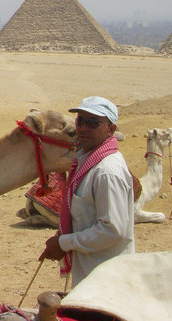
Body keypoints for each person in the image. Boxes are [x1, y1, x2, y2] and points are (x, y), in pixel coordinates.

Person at [39, 96, 134, 288]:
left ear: (111, 129)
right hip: (91, 275)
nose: (83, 128)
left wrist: (64, 243)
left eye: (93, 123)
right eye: (80, 121)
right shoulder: (86, 163)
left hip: (107, 282)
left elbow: (113, 230)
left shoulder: (107, 172)